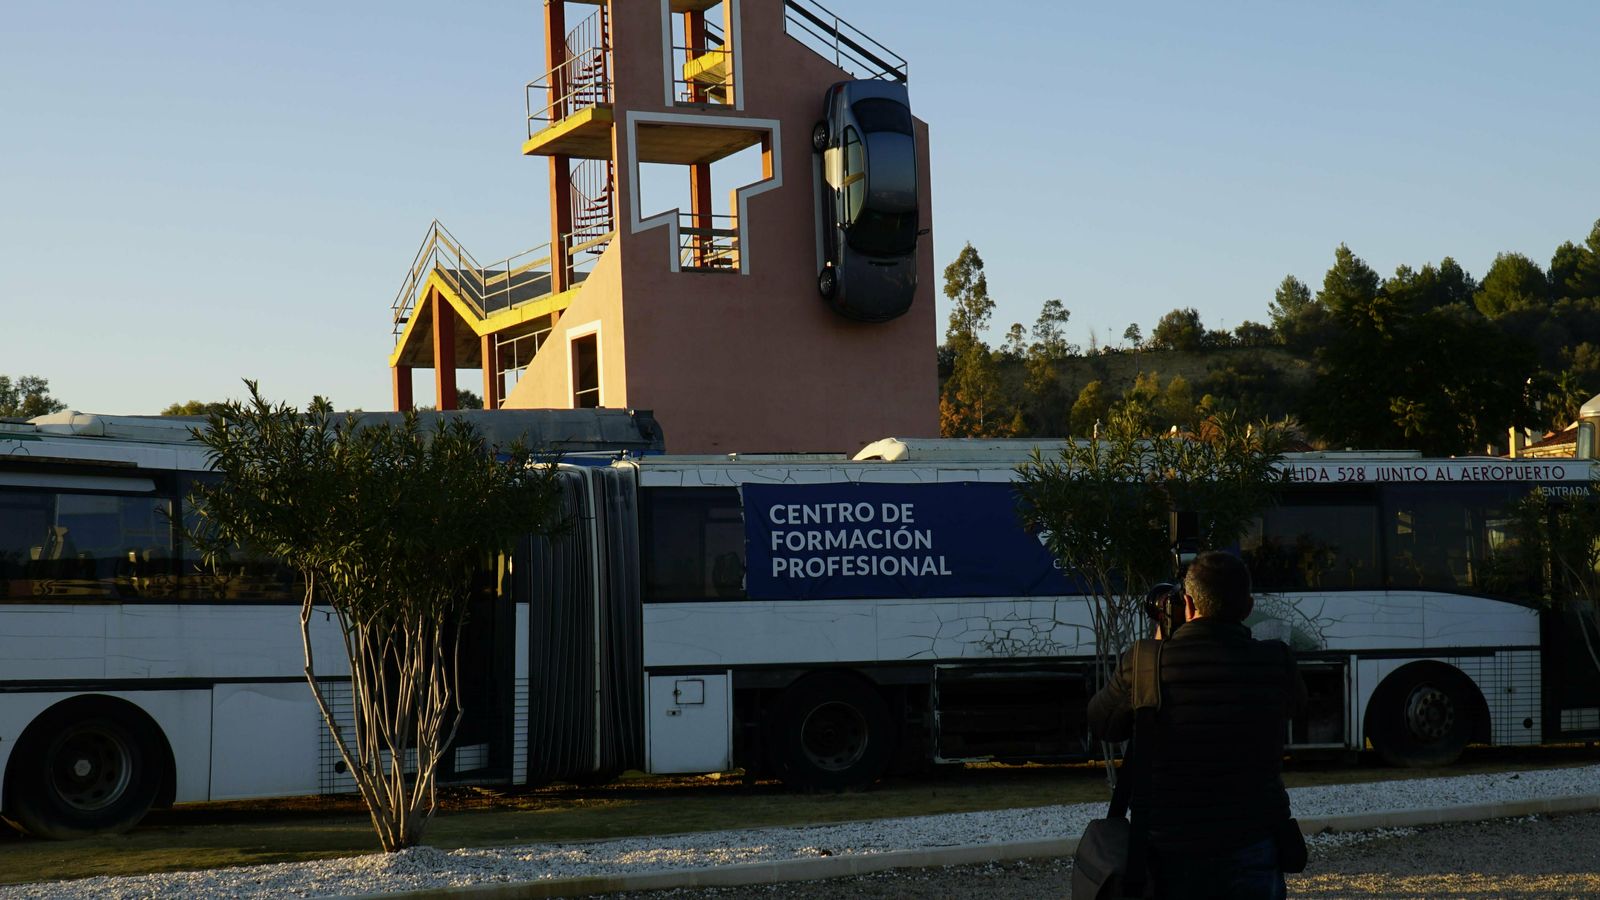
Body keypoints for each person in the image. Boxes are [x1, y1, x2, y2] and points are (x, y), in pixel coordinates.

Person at [1087, 550, 1308, 899]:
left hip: (1169, 851)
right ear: (1248, 607)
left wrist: (1159, 645)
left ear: (1186, 604)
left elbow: (1102, 725)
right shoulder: (1277, 661)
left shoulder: (1145, 662)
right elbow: (1297, 709)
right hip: (1254, 842)